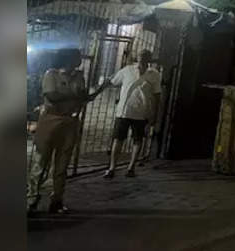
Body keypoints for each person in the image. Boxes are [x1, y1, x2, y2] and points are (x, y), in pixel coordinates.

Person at [28, 48, 95, 214]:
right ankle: (31, 199)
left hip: (70, 121)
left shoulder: (79, 76)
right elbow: (51, 96)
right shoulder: (51, 74)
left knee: (62, 165)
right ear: (68, 59)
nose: (79, 60)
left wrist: (77, 96)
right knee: (40, 162)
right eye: (76, 57)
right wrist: (74, 96)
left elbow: (81, 95)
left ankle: (56, 200)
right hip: (51, 120)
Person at [99, 50, 162, 179]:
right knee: (118, 139)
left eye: (145, 56)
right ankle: (112, 168)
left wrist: (154, 113)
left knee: (137, 140)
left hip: (142, 112)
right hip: (124, 110)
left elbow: (157, 95)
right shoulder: (127, 70)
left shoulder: (154, 74)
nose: (142, 58)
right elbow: (113, 81)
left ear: (149, 59)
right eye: (140, 56)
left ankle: (131, 167)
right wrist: (101, 86)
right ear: (137, 57)